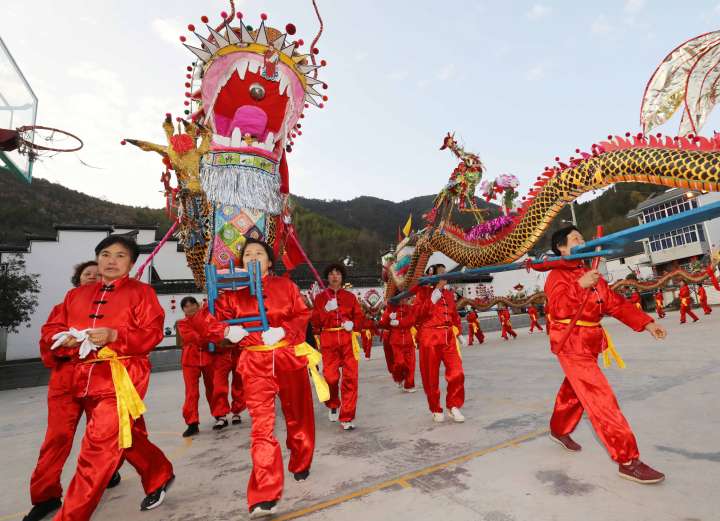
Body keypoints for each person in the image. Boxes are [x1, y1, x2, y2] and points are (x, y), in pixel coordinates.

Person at [41, 236, 174, 520]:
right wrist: (61, 339)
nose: (111, 260)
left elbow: (153, 333)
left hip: (122, 377)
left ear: (132, 262)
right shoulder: (75, 296)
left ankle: (71, 516)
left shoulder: (142, 293)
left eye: (120, 255)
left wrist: (116, 336)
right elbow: (52, 327)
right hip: (81, 378)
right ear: (97, 258)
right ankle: (160, 473)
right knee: (129, 438)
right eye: (105, 254)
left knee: (97, 449)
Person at [190, 238, 316, 518]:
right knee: (261, 427)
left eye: (259, 253)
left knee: (299, 417)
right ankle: (264, 494)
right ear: (241, 262)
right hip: (254, 362)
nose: (253, 257)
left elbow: (302, 313)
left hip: (288, 356)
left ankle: (301, 459)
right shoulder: (231, 292)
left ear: (270, 262)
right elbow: (203, 320)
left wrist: (285, 330)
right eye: (247, 254)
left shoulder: (286, 286)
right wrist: (224, 331)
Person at [545, 226, 667, 484]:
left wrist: (647, 323)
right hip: (570, 343)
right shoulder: (557, 274)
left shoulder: (593, 275)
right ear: (562, 248)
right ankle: (628, 460)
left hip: (590, 342)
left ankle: (558, 429)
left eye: (583, 236)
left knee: (574, 391)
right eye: (576, 238)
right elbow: (558, 308)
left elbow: (614, 303)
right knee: (601, 400)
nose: (582, 240)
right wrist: (579, 285)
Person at [23, 261, 124, 521]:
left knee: (105, 436)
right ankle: (45, 497)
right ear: (77, 280)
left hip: (101, 378)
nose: (92, 277)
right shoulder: (65, 305)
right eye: (87, 274)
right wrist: (67, 341)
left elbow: (128, 336)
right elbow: (49, 334)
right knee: (56, 439)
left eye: (97, 275)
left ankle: (108, 472)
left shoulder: (114, 307)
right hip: (65, 382)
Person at [312, 263, 363, 431]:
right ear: (327, 277)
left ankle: (347, 416)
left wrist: (352, 324)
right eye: (332, 273)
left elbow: (360, 318)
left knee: (350, 379)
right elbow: (315, 324)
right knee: (330, 378)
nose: (335, 276)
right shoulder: (320, 299)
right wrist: (325, 310)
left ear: (342, 277)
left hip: (348, 341)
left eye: (338, 273)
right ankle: (333, 402)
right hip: (329, 341)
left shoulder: (350, 297)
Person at [413, 264, 465, 423]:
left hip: (448, 336)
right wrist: (432, 298)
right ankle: (435, 408)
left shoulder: (449, 294)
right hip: (429, 336)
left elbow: (454, 314)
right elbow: (417, 315)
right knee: (430, 376)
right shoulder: (423, 292)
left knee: (457, 372)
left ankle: (453, 405)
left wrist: (459, 332)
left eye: (445, 273)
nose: (444, 276)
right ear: (433, 276)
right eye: (441, 273)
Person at [176, 296, 214, 437]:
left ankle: (219, 415)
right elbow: (197, 338)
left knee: (213, 387)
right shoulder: (181, 323)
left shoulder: (206, 317)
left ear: (197, 305)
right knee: (191, 393)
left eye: (193, 304)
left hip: (207, 357)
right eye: (186, 306)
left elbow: (209, 334)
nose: (190, 308)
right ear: (183, 309)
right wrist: (207, 332)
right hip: (190, 360)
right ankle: (192, 423)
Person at [379, 298, 417, 392]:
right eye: (402, 299)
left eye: (406, 298)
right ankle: (399, 378)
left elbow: (412, 320)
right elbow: (382, 323)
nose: (404, 300)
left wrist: (400, 323)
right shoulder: (389, 309)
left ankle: (409, 385)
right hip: (396, 341)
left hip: (408, 341)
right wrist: (388, 316)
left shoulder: (409, 308)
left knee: (411, 364)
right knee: (399, 363)